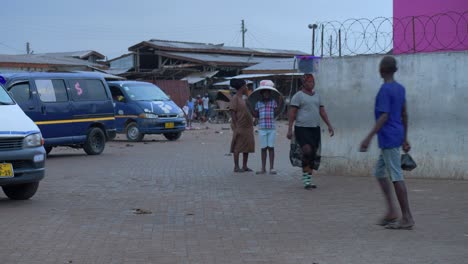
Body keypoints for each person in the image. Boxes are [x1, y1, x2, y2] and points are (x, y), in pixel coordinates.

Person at [359, 56, 415, 230]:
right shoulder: (400, 89)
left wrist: (368, 137)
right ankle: (392, 211)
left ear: (381, 71)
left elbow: (384, 115)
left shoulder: (385, 90)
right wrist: (405, 138)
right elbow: (404, 114)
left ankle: (407, 217)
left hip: (388, 138)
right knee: (379, 172)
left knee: (396, 176)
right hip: (395, 136)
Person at [287, 73, 334, 189]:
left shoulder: (317, 96)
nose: (311, 84)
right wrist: (289, 129)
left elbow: (322, 112)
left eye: (312, 82)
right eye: (308, 82)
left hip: (315, 129)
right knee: (307, 151)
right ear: (303, 83)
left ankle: (308, 180)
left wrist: (329, 125)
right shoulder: (298, 96)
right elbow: (292, 113)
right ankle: (305, 179)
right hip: (302, 128)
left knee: (312, 154)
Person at [252, 80, 282, 175]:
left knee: (271, 147)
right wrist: (249, 106)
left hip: (271, 128)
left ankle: (272, 168)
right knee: (263, 148)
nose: (266, 94)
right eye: (265, 92)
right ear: (261, 94)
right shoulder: (258, 103)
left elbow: (276, 113)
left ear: (270, 93)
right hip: (262, 128)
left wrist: (280, 103)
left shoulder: (273, 102)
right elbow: (256, 115)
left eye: (268, 92)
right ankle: (263, 168)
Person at [229, 79, 255, 173]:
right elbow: (232, 112)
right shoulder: (235, 98)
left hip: (248, 126)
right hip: (240, 126)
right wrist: (236, 126)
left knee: (247, 146)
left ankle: (245, 166)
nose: (247, 88)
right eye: (245, 86)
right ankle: (236, 167)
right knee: (238, 146)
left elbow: (250, 109)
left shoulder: (244, 98)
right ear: (242, 87)